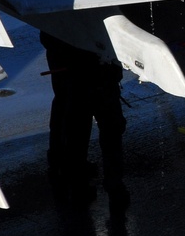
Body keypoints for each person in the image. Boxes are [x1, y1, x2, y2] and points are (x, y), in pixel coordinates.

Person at [42, 32, 129, 213]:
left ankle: (77, 178)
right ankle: (104, 182)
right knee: (91, 127)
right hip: (86, 70)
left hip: (77, 70)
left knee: (77, 126)